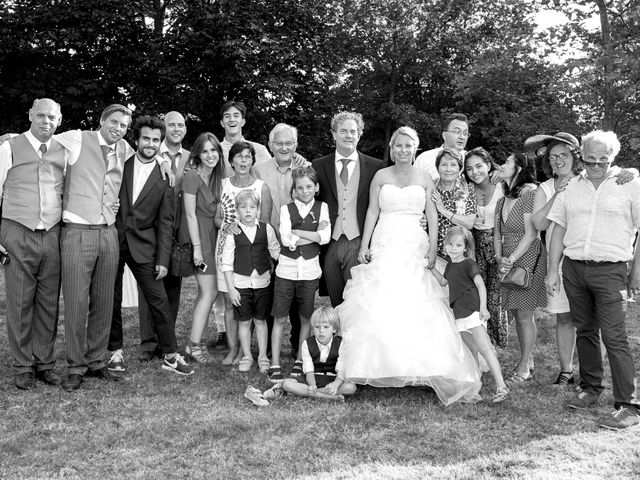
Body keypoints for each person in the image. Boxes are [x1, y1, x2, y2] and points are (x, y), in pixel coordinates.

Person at [336, 126, 481, 405]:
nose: (403, 150)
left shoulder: (425, 177)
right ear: (392, 149)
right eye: (399, 146)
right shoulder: (381, 176)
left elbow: (433, 215)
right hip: (385, 241)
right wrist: (365, 244)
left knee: (418, 300)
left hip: (415, 241)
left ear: (416, 148)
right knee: (381, 299)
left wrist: (431, 247)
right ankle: (371, 366)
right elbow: (372, 211)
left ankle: (424, 368)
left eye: (408, 146)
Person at [546, 130, 640, 430]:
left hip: (612, 270)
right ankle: (590, 388)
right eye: (590, 160)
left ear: (613, 158)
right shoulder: (573, 185)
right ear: (581, 157)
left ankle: (629, 405)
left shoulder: (630, 184)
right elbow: (558, 228)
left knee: (614, 336)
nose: (597, 165)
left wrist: (636, 271)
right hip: (574, 268)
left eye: (604, 160)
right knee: (585, 330)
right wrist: (552, 269)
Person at [53, 104, 135, 391]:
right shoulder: (77, 138)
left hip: (108, 233)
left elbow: (148, 159)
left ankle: (97, 360)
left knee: (104, 301)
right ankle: (75, 366)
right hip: (77, 231)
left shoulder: (125, 148)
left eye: (124, 125)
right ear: (101, 120)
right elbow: (39, 138)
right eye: (114, 122)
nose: (118, 128)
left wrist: (163, 161)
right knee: (76, 301)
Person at [106, 115, 193, 375]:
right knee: (111, 297)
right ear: (137, 139)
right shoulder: (120, 164)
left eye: (156, 140)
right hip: (113, 239)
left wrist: (163, 259)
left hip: (145, 246)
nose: (151, 144)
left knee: (159, 301)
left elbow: (166, 222)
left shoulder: (166, 176)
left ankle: (170, 355)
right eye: (146, 138)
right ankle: (115, 353)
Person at [0, 98, 66, 390]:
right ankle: (23, 365)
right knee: (20, 302)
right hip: (17, 230)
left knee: (48, 303)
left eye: (52, 117)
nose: (46, 122)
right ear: (30, 115)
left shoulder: (64, 150)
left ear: (59, 120)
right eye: (40, 116)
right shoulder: (8, 147)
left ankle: (44, 363)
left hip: (52, 233)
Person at [429, 227, 509, 403]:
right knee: (471, 350)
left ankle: (501, 386)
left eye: (458, 245)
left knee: (484, 348)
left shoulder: (469, 264)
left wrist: (483, 308)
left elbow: (480, 285)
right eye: (450, 244)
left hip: (473, 311)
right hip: (459, 314)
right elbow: (444, 282)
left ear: (465, 247)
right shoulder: (450, 265)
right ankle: (475, 386)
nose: (453, 248)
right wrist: (431, 268)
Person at [313, 111, 383, 307]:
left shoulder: (375, 166)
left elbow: (383, 204)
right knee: (336, 299)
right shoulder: (318, 165)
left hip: (359, 241)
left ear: (359, 135)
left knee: (357, 299)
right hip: (330, 243)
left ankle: (354, 337)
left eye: (353, 131)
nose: (348, 135)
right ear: (334, 134)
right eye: (343, 131)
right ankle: (339, 336)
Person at [137, 111, 191, 361]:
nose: (176, 128)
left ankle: (166, 338)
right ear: (164, 129)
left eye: (181, 124)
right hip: (152, 229)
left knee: (172, 287)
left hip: (179, 229)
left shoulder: (192, 158)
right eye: (172, 124)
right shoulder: (151, 154)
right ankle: (149, 343)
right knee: (150, 284)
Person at [270, 166, 330, 381]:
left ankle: (299, 362)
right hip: (286, 270)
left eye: (308, 186)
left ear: (316, 188)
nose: (304, 191)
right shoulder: (287, 209)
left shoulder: (322, 208)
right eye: (300, 187)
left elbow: (325, 237)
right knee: (280, 317)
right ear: (294, 190)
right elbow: (286, 240)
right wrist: (313, 234)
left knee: (306, 318)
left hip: (310, 272)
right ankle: (275, 363)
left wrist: (299, 234)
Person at [215, 141, 273, 364]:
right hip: (228, 248)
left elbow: (265, 223)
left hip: (252, 252)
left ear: (252, 161)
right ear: (231, 161)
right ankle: (233, 349)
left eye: (247, 157)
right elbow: (216, 217)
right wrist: (226, 226)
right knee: (230, 301)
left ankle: (247, 352)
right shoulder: (223, 185)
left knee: (250, 302)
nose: (243, 161)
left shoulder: (261, 188)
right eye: (238, 157)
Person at [254, 123, 308, 359]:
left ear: (295, 144)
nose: (284, 147)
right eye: (279, 143)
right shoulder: (258, 169)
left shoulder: (306, 167)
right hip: (266, 239)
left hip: (298, 242)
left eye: (289, 143)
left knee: (297, 295)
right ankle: (265, 348)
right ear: (270, 145)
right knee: (266, 291)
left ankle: (298, 344)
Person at [494, 153, 546, 385]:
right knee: (515, 312)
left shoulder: (530, 194)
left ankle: (524, 368)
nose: (502, 165)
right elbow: (497, 233)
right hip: (506, 258)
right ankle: (530, 359)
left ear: (519, 168)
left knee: (524, 314)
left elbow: (532, 233)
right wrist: (499, 258)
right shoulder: (501, 199)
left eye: (506, 162)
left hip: (527, 256)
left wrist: (513, 258)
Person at [219, 190, 280, 372]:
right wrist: (231, 289)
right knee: (244, 322)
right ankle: (247, 355)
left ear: (258, 210)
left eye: (252, 207)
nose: (248, 211)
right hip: (241, 284)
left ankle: (262, 356)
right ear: (237, 210)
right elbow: (227, 263)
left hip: (262, 282)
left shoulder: (266, 229)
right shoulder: (233, 232)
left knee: (261, 320)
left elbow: (275, 251)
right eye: (243, 207)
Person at [182, 132, 226, 363]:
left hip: (215, 237)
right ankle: (194, 345)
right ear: (198, 154)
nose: (210, 155)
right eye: (205, 151)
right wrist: (197, 249)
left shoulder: (217, 178)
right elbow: (189, 214)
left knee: (210, 292)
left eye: (214, 150)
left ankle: (193, 344)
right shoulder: (192, 176)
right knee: (208, 292)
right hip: (200, 239)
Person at [463, 147, 508, 348]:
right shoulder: (466, 189)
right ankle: (482, 342)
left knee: (496, 297)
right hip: (474, 245)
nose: (475, 172)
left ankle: (497, 343)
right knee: (477, 294)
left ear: (488, 165)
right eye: (470, 168)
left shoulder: (502, 186)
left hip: (499, 243)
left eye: (479, 166)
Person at [275, 306, 357, 402]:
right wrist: (312, 386)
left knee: (351, 387)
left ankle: (313, 393)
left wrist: (335, 384)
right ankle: (330, 397)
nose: (321, 331)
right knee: (287, 383)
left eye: (326, 327)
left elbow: (341, 369)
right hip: (313, 376)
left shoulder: (341, 343)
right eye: (317, 327)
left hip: (332, 378)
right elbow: (308, 370)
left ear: (334, 329)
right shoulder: (307, 343)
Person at [431, 149, 476, 263]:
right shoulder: (431, 188)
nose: (448, 169)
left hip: (461, 255)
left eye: (453, 165)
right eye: (444, 165)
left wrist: (443, 210)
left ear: (460, 169)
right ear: (437, 168)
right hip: (435, 253)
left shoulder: (467, 189)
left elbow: (469, 223)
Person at [219, 101, 271, 177]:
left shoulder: (259, 150)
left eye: (236, 115)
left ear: (243, 122)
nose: (232, 119)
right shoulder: (214, 152)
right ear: (222, 123)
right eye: (227, 116)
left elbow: (273, 173)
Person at [415, 113, 469, 181]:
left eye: (465, 133)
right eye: (457, 132)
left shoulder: (470, 159)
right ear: (444, 135)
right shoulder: (424, 159)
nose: (462, 137)